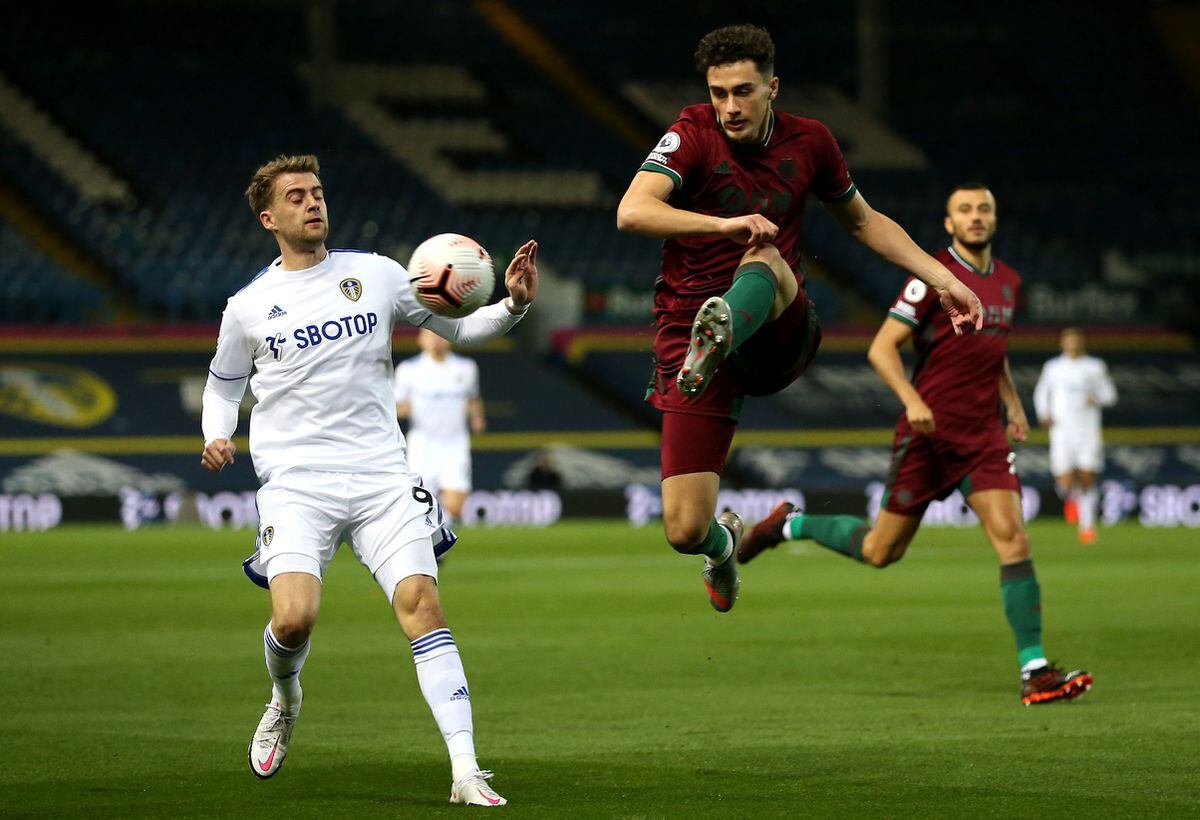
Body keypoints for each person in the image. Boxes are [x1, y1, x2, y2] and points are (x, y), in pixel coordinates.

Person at [200, 154, 538, 805]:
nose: (312, 203)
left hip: (384, 477)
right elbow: (223, 384)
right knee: (294, 620)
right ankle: (286, 696)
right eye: (296, 196)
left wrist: (514, 307)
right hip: (297, 483)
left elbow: (460, 327)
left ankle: (466, 770)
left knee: (423, 606)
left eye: (318, 192)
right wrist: (216, 433)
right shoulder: (247, 307)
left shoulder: (378, 275)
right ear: (269, 217)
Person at [615, 24, 983, 613]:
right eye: (718, 93)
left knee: (763, 256)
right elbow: (632, 210)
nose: (729, 107)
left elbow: (863, 222)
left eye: (742, 91)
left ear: (772, 87)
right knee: (684, 529)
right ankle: (726, 546)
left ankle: (730, 320)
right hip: (690, 340)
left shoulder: (810, 142)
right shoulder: (690, 135)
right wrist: (722, 226)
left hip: (776, 328)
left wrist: (945, 279)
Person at [739, 183, 1093, 705]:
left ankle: (1035, 670)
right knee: (881, 551)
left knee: (1013, 539)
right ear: (949, 224)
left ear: (995, 219)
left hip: (982, 439)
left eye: (984, 209)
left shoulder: (1009, 282)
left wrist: (1012, 402)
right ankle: (789, 523)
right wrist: (911, 399)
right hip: (928, 437)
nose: (975, 217)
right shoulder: (930, 278)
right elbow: (881, 348)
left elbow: (990, 349)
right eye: (965, 211)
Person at [1033, 328, 1118, 543]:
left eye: (1076, 340)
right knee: (1065, 481)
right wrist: (1043, 413)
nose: (1072, 344)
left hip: (1088, 431)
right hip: (1061, 431)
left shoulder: (1095, 367)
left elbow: (1110, 395)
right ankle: (1072, 499)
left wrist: (1097, 398)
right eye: (1068, 341)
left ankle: (1087, 527)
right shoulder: (1053, 367)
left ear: (1082, 342)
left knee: (1088, 477)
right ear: (1062, 343)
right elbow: (1042, 392)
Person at [395, 329, 485, 525]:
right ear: (420, 340)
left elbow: (473, 398)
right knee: (418, 505)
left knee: (455, 506)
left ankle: (439, 539)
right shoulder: (408, 370)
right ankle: (433, 546)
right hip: (422, 445)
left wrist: (477, 417)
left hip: (455, 444)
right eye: (430, 335)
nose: (436, 339)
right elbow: (396, 406)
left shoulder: (466, 368)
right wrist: (402, 409)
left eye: (440, 334)